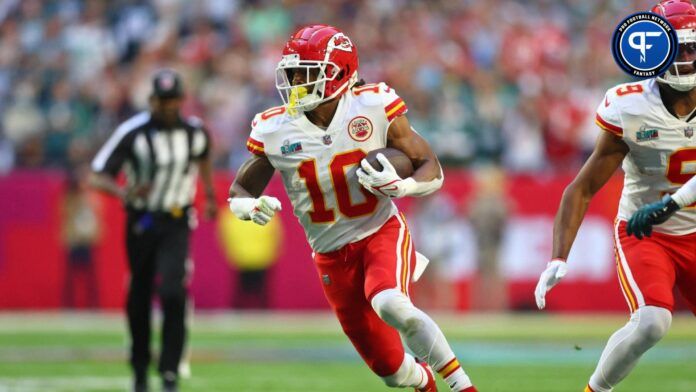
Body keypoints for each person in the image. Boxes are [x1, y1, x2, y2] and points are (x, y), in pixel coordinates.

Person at [227, 24, 477, 392]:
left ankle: (462, 385)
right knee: (392, 372)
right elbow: (239, 190)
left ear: (338, 73)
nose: (296, 80)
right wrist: (247, 207)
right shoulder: (276, 129)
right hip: (329, 256)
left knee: (391, 302)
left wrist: (404, 185)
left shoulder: (373, 105)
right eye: (293, 72)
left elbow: (430, 166)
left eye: (306, 72)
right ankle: (424, 379)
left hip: (379, 231)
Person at [533, 2, 696, 391]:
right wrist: (558, 255)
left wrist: (673, 203)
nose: (688, 58)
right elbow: (583, 187)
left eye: (694, 48)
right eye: (679, 49)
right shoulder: (630, 105)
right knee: (652, 321)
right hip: (646, 232)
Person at [90, 69, 217, 392]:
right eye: (162, 101)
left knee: (173, 291)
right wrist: (124, 193)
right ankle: (140, 366)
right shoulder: (132, 132)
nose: (167, 106)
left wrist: (210, 196)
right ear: (151, 101)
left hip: (177, 220)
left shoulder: (195, 132)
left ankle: (170, 370)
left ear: (181, 100)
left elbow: (203, 158)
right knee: (140, 295)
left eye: (172, 99)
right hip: (142, 222)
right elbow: (97, 175)